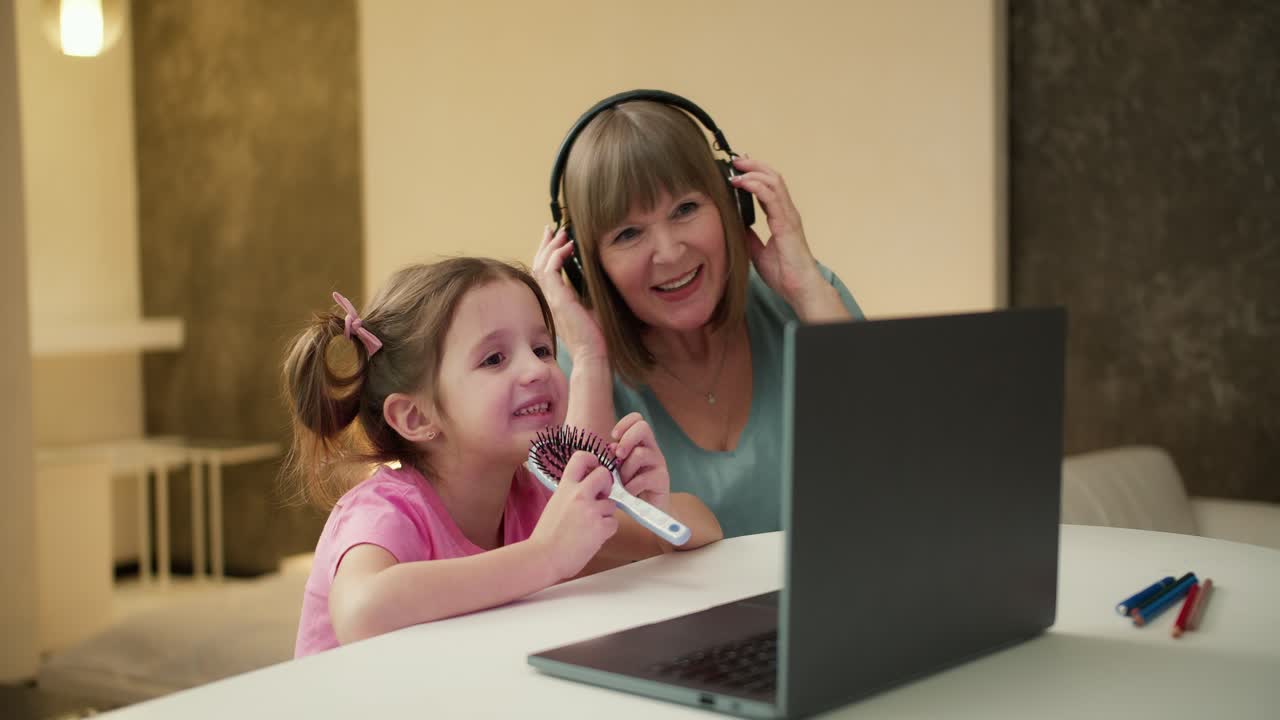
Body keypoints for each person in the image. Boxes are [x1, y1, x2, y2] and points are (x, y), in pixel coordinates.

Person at [283, 258, 722, 657]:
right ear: (415, 416)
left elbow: (704, 526)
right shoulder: (384, 512)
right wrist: (544, 556)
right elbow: (364, 612)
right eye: (494, 358)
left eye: (542, 349)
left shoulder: (533, 493)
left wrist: (650, 506)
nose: (536, 370)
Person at [532, 93, 863, 539]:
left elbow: (899, 459)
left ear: (734, 203)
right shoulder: (579, 367)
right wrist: (590, 359)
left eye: (685, 209)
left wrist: (806, 289)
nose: (669, 253)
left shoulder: (808, 302)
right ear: (585, 266)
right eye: (629, 233)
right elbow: (581, 544)